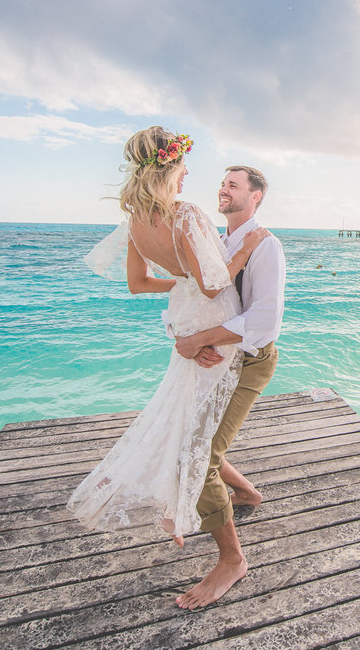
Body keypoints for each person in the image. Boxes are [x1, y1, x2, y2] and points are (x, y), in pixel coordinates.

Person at [67, 128, 269, 555]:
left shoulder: (136, 221)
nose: (189, 172)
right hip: (213, 325)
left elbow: (138, 284)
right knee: (195, 432)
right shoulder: (186, 214)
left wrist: (181, 285)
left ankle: (241, 494)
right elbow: (215, 286)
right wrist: (246, 249)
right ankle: (211, 531)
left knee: (188, 422)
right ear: (171, 166)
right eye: (183, 164)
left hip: (187, 322)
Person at [171, 164, 286, 609]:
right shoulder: (217, 243)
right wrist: (189, 339)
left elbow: (264, 320)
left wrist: (201, 339)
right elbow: (189, 298)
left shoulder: (267, 247)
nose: (223, 189)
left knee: (198, 458)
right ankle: (248, 494)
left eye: (233, 185)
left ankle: (233, 561)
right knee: (201, 442)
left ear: (255, 196)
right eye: (222, 183)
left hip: (250, 364)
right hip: (217, 362)